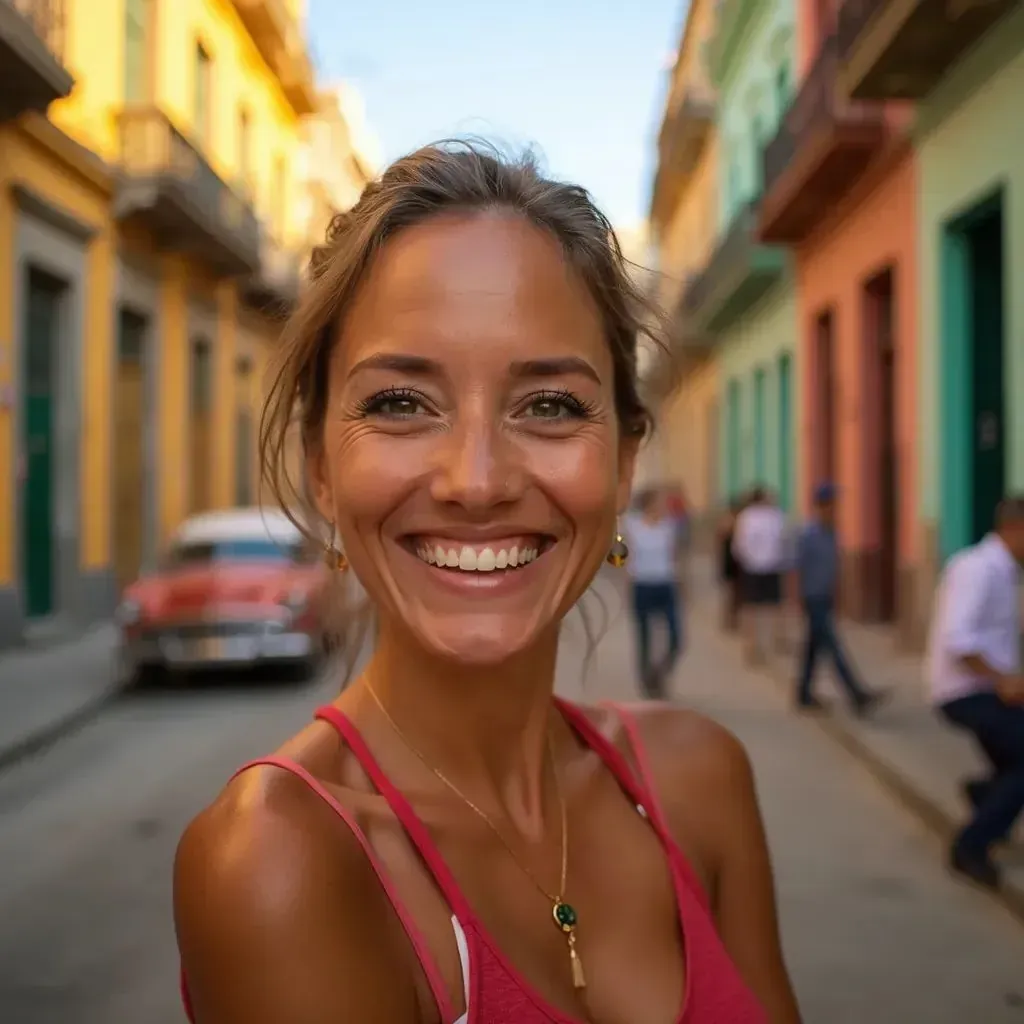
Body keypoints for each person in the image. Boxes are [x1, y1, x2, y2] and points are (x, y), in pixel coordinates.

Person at [174, 141, 801, 1024]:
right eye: (400, 402)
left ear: (623, 464)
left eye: (549, 405)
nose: (476, 480)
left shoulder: (700, 781)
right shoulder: (284, 858)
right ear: (321, 467)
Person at [926, 496, 1024, 889]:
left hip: (988, 688)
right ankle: (970, 845)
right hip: (964, 691)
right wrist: (1003, 681)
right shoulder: (977, 569)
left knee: (1013, 755)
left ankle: (986, 795)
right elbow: (959, 639)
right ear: (1014, 529)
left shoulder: (1006, 572)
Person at [794, 483, 883, 715]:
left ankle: (802, 694)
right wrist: (796, 600)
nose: (833, 510)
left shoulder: (833, 533)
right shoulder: (808, 535)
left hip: (826, 597)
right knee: (833, 647)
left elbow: (836, 566)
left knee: (813, 649)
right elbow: (796, 568)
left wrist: (840, 594)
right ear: (820, 506)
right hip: (813, 598)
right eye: (829, 505)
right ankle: (857, 694)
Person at [622, 487, 684, 699]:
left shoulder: (669, 527)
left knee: (676, 638)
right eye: (659, 502)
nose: (664, 507)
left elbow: (675, 556)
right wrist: (625, 574)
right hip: (642, 584)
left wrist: (684, 584)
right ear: (648, 505)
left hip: (666, 584)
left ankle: (659, 673)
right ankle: (647, 680)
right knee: (645, 637)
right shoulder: (632, 526)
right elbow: (620, 552)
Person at [731, 486, 787, 664]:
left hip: (753, 567)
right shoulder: (775, 516)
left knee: (752, 608)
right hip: (770, 566)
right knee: (771, 606)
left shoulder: (746, 517)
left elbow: (739, 545)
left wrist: (747, 560)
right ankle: (771, 643)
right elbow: (783, 540)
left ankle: (752, 647)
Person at [718, 498, 744, 632]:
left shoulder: (737, 522)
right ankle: (729, 620)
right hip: (730, 561)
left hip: (734, 561)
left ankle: (732, 620)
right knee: (731, 593)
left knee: (735, 593)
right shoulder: (729, 522)